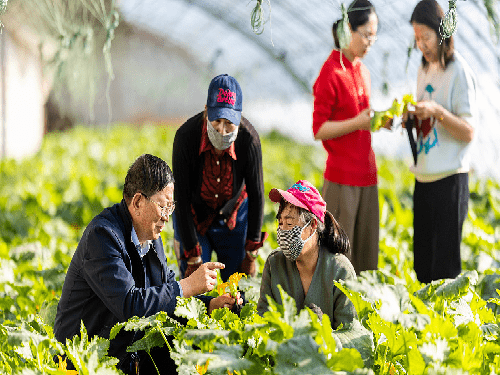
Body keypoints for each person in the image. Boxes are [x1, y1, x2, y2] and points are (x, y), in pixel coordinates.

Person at [54, 154, 241, 374]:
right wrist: (189, 285)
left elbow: (163, 290)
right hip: (83, 363)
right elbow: (130, 305)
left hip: (124, 358)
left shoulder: (151, 237)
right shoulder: (102, 236)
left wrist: (209, 305)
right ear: (137, 202)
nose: (166, 218)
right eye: (162, 207)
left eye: (171, 208)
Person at [172, 74, 267, 281]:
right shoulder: (185, 137)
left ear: (239, 118)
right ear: (206, 111)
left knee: (237, 285)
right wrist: (191, 253)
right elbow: (181, 197)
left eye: (229, 123)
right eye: (216, 121)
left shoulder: (249, 140)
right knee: (195, 283)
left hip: (233, 218)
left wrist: (251, 251)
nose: (222, 130)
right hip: (195, 217)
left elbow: (257, 196)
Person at [407, 0, 476, 283]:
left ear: (441, 33)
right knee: (422, 264)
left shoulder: (459, 71)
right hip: (424, 178)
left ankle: (441, 324)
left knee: (444, 269)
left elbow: (469, 131)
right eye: (416, 38)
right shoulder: (425, 69)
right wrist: (410, 116)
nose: (421, 45)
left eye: (425, 37)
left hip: (450, 180)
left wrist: (437, 111)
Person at [312, 0, 379, 275]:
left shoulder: (362, 70)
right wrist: (358, 122)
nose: (369, 42)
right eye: (365, 35)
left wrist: (376, 122)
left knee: (366, 255)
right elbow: (319, 129)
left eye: (374, 37)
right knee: (338, 259)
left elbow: (361, 122)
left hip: (367, 175)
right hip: (342, 179)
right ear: (348, 29)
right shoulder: (331, 71)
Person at [257, 180, 357, 329]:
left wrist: (323, 331)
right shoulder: (274, 263)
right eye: (280, 223)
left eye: (290, 224)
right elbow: (262, 321)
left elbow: (351, 334)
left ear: (313, 226)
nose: (283, 231)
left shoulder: (341, 270)